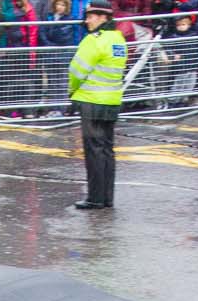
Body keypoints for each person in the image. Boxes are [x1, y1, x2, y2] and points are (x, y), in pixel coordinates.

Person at [67, 0, 124, 208]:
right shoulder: (118, 39)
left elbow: (76, 71)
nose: (87, 21)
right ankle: (107, 197)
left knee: (94, 151)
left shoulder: (94, 40)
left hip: (91, 101)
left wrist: (71, 90)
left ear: (102, 17)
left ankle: (95, 198)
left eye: (90, 16)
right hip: (112, 100)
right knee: (107, 150)